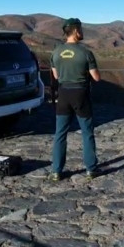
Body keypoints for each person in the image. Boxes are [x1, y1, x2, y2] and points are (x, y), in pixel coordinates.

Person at [48, 18, 101, 181]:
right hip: (81, 95)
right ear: (76, 31)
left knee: (60, 133)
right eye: (81, 29)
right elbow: (96, 78)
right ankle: (91, 169)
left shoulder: (56, 52)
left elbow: (56, 76)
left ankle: (56, 171)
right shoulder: (85, 53)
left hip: (63, 94)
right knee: (87, 132)